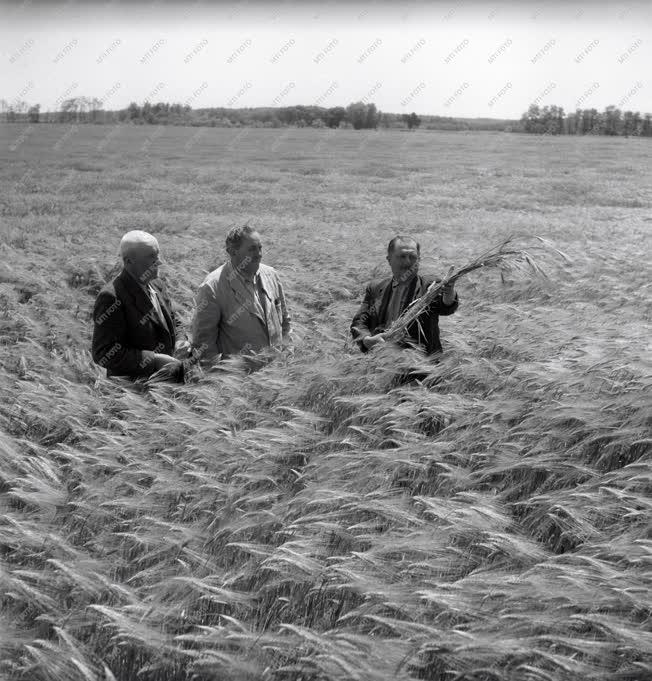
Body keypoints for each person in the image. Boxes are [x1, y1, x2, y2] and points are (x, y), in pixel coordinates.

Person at [92, 230, 188, 379]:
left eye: (158, 255)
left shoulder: (157, 284)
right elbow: (103, 353)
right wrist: (154, 360)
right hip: (135, 388)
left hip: (168, 380)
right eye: (151, 257)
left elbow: (173, 319)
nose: (159, 262)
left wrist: (181, 340)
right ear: (129, 261)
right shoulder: (111, 297)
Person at [190, 225, 291, 364]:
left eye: (260, 247)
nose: (259, 254)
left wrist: (286, 354)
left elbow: (285, 321)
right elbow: (204, 344)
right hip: (239, 379)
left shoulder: (271, 275)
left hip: (277, 375)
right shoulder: (212, 287)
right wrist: (219, 378)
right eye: (252, 249)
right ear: (232, 252)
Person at [351, 235, 459, 355]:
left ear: (419, 260)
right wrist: (367, 341)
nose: (407, 262)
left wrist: (449, 292)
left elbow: (445, 306)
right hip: (381, 365)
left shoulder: (429, 286)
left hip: (420, 367)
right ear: (389, 259)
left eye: (412, 257)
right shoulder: (375, 288)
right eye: (402, 256)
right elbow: (360, 321)